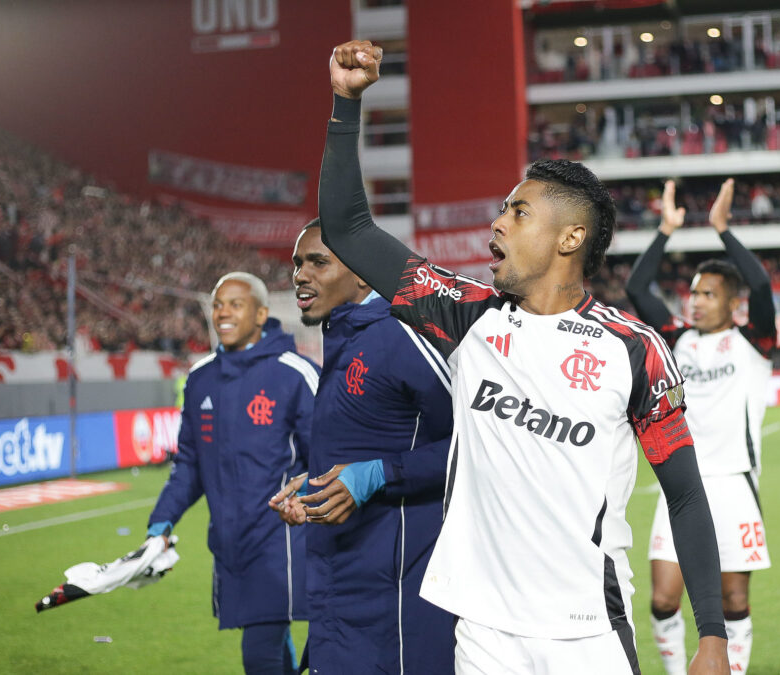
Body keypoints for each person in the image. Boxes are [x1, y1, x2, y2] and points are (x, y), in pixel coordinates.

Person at [311, 40, 728, 674]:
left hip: (587, 630)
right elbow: (348, 228)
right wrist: (346, 104)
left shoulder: (634, 350)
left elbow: (687, 496)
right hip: (484, 631)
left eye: (519, 211)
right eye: (504, 210)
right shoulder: (465, 316)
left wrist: (712, 636)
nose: (498, 222)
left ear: (571, 236)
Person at [268, 220, 455, 675]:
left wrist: (379, 475)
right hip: (340, 588)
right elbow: (372, 441)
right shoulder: (344, 336)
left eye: (318, 262)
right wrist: (317, 487)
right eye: (297, 263)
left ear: (363, 274)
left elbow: (477, 446)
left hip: (398, 598)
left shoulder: (406, 334)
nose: (300, 275)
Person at [625, 179, 776, 675]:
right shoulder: (677, 338)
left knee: (733, 601)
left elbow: (762, 286)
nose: (695, 301)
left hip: (733, 483)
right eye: (692, 292)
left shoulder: (755, 341)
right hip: (682, 481)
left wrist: (722, 229)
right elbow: (637, 288)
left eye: (708, 293)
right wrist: (666, 230)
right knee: (663, 599)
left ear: (732, 302)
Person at [147, 272, 319, 675]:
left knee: (259, 652)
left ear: (261, 314)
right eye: (218, 304)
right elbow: (190, 463)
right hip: (228, 543)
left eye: (235, 304)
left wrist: (304, 499)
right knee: (270, 643)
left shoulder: (295, 373)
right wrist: (161, 521)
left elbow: (330, 460)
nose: (222, 313)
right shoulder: (200, 378)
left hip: (281, 540)